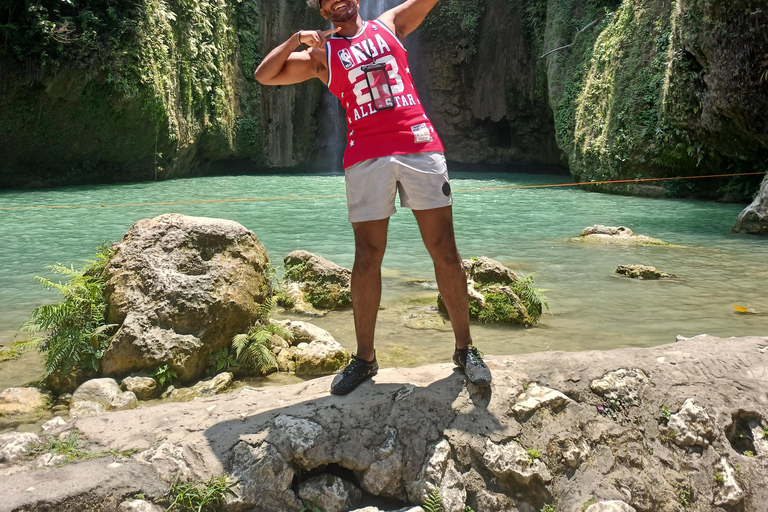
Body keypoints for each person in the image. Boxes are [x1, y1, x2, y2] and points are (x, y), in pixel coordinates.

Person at [254, 0, 491, 395]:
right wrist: (297, 37)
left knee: (444, 249)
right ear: (322, 9)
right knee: (367, 255)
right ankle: (365, 358)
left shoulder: (390, 23)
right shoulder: (321, 55)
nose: (337, 1)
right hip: (364, 157)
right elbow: (265, 75)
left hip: (419, 146)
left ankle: (465, 350)